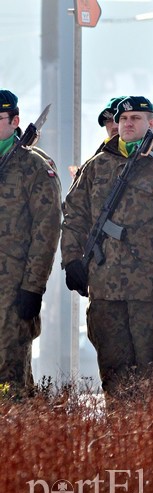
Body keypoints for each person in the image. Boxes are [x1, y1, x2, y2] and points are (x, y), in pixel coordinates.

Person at [61, 96, 153, 398]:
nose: (128, 123)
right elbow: (75, 216)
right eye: (123, 119)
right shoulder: (96, 167)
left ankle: (149, 442)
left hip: (149, 291)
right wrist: (71, 260)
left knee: (149, 377)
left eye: (136, 118)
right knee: (113, 375)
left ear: (151, 123)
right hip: (105, 289)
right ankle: (118, 442)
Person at [0, 89, 62, 398]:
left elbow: (47, 229)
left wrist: (33, 287)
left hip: (13, 287)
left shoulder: (34, 166)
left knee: (11, 378)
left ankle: (19, 442)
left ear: (15, 121)